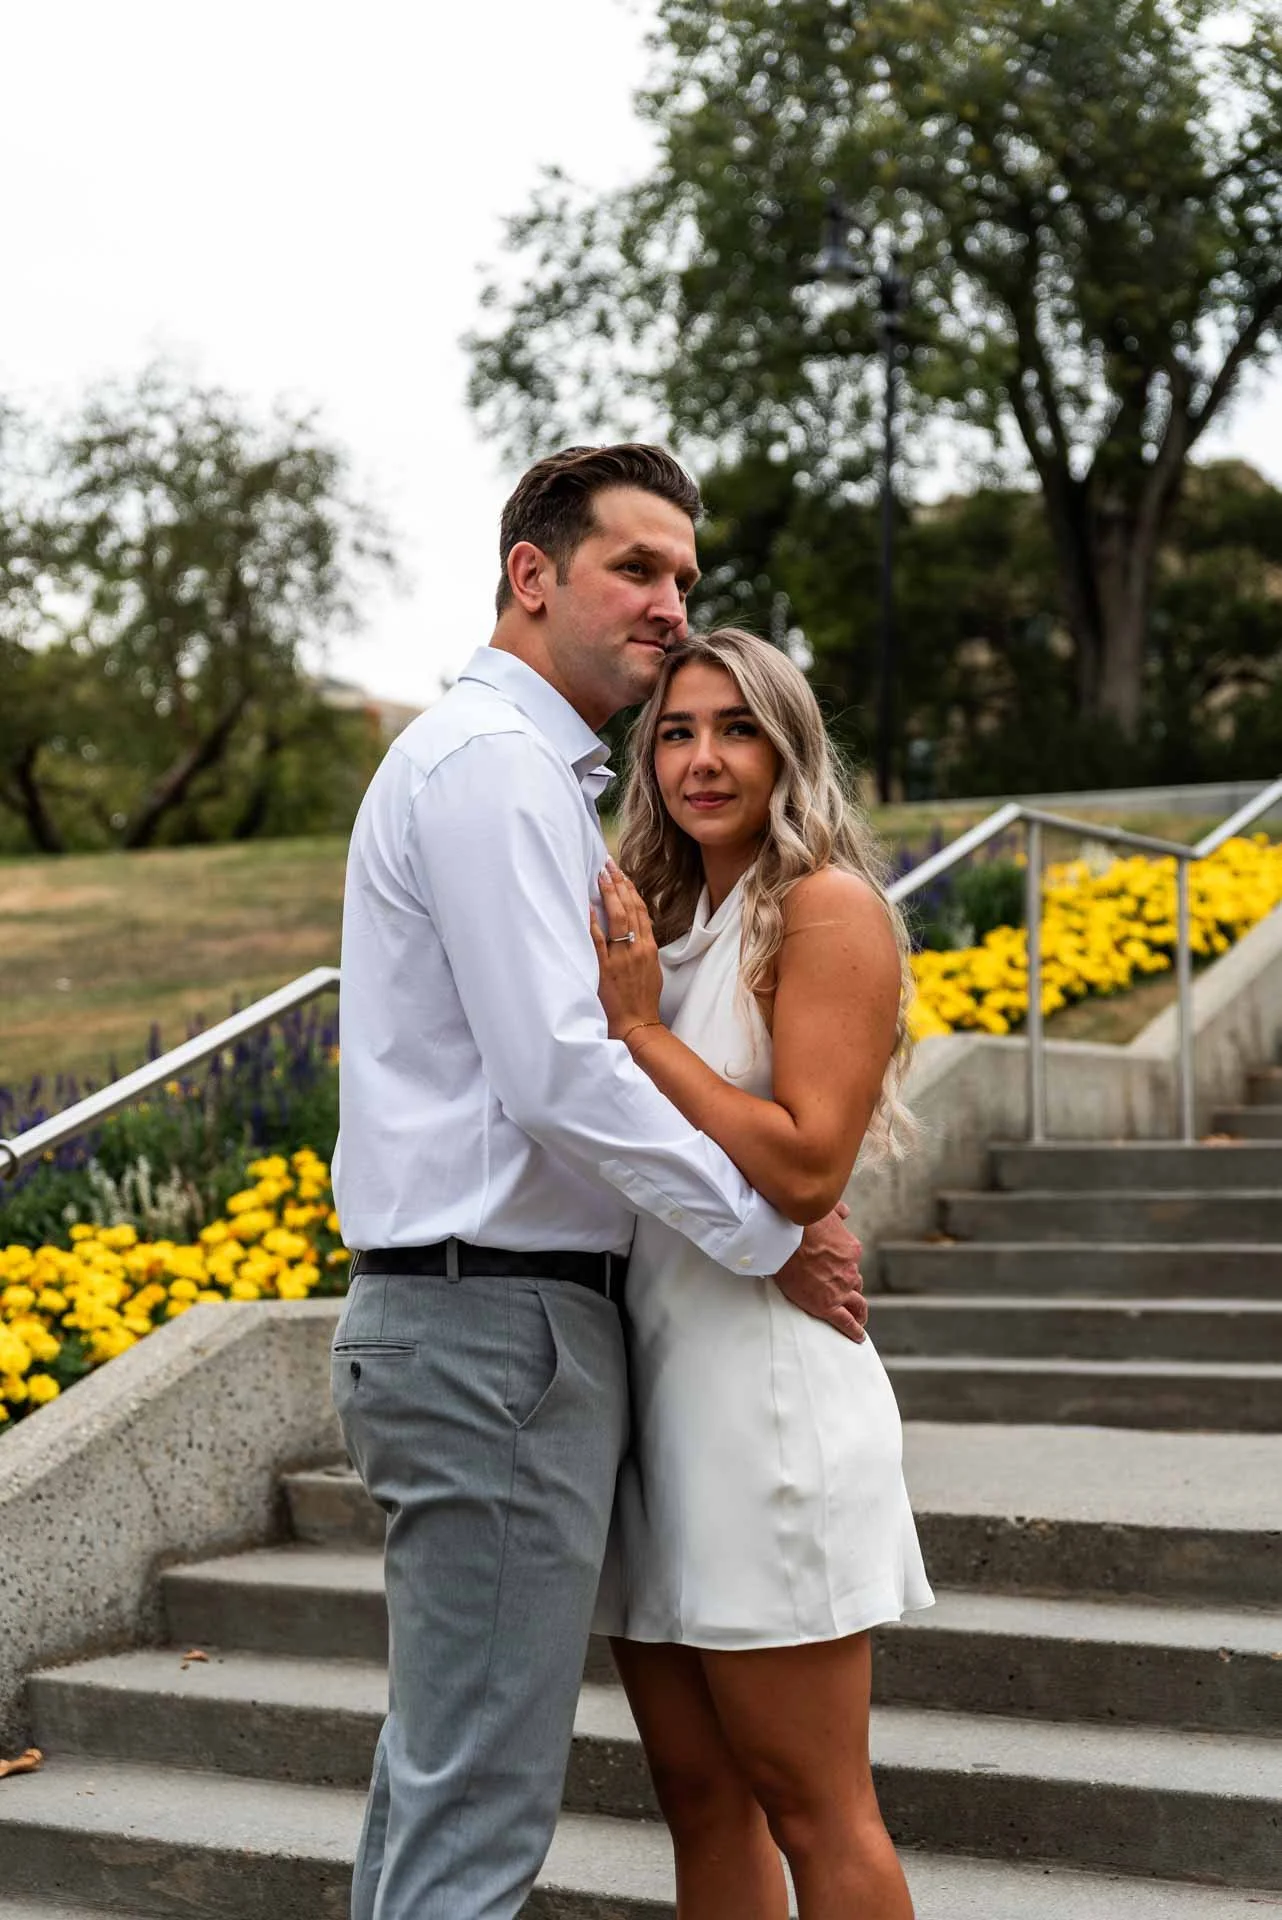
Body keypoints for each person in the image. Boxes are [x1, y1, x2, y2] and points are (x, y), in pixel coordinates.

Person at [329, 445, 869, 1920]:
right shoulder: (492, 769)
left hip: (498, 1323)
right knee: (474, 1803)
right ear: (532, 576)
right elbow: (560, 1076)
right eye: (635, 568)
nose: (666, 602)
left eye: (684, 577)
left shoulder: (516, 772)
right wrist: (766, 1233)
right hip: (490, 1327)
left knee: (440, 1780)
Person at [591, 626, 934, 1920]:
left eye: (734, 727)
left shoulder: (825, 908)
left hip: (767, 1401)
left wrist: (634, 1032)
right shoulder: (656, 915)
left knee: (812, 1804)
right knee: (696, 1794)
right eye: (674, 730)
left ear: (787, 744)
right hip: (649, 1382)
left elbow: (802, 1170)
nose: (701, 757)